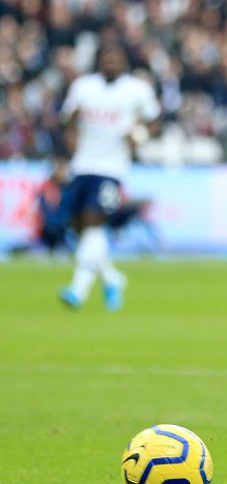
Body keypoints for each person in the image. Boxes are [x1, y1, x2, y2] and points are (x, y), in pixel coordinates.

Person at [57, 44, 161, 311]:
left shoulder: (137, 90)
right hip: (82, 165)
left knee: (94, 220)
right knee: (79, 227)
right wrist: (72, 119)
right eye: (106, 59)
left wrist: (139, 137)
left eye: (116, 60)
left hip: (113, 169)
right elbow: (65, 120)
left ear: (124, 63)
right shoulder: (83, 87)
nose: (111, 64)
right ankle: (113, 278)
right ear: (99, 62)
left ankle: (77, 291)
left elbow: (154, 122)